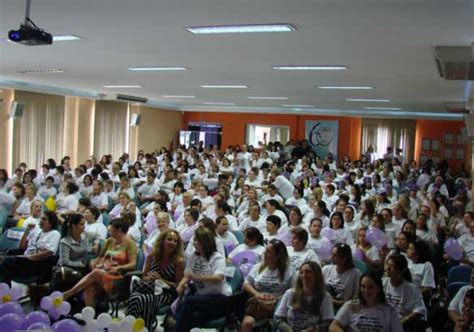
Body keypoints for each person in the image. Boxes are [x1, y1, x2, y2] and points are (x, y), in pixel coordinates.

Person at [63, 218, 138, 307]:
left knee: (98, 272)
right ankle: (91, 317)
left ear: (119, 230)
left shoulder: (130, 243)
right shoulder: (110, 241)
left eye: (111, 228)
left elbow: (133, 264)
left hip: (117, 279)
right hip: (102, 274)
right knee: (89, 289)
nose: (109, 229)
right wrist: (93, 262)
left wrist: (119, 268)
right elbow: (98, 258)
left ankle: (70, 293)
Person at [172, 227, 231, 332]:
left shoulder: (217, 257)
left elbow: (219, 277)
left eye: (196, 240)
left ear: (205, 242)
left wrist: (197, 277)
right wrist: (181, 284)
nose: (193, 243)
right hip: (202, 298)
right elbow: (187, 275)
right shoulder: (194, 256)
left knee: (189, 302)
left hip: (219, 298)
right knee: (195, 316)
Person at [127, 229, 184, 331]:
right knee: (134, 297)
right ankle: (131, 327)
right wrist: (149, 278)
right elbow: (143, 276)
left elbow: (178, 286)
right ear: (162, 241)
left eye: (175, 241)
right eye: (169, 239)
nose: (172, 243)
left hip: (166, 293)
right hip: (149, 288)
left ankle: (145, 328)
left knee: (143, 299)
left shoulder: (178, 261)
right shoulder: (151, 256)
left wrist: (161, 280)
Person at [241, 239, 294, 332]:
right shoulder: (258, 267)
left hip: (278, 304)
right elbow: (246, 283)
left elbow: (295, 290)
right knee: (247, 323)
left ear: (277, 256)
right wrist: (257, 294)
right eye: (265, 250)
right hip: (258, 303)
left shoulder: (289, 271)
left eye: (268, 252)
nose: (264, 253)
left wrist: (276, 299)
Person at [0, 211, 60, 285]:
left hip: (36, 264)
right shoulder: (37, 232)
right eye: (41, 218)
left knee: (6, 262)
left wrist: (29, 257)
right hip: (24, 260)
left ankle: (4, 289)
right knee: (3, 262)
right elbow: (22, 246)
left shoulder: (54, 234)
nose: (41, 220)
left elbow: (49, 252)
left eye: (44, 219)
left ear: (51, 222)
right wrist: (27, 230)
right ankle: (5, 289)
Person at [329, 271, 403, 332]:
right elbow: (333, 326)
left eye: (370, 287)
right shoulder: (351, 305)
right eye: (363, 286)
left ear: (378, 288)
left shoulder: (390, 310)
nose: (366, 291)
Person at [275, 261, 334, 331]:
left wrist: (314, 329)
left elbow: (328, 323)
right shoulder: (290, 293)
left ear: (317, 275)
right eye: (301, 272)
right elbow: (278, 319)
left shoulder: (325, 297)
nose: (304, 275)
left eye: (308, 272)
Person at [383, 254, 427, 331]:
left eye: (391, 266)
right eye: (387, 265)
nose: (387, 268)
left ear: (401, 270)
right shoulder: (382, 283)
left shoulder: (411, 288)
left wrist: (405, 319)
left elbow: (420, 309)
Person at [52, 214, 91, 291]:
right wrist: (83, 264)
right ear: (73, 226)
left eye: (84, 224)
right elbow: (65, 262)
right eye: (82, 224)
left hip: (81, 268)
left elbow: (97, 236)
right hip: (68, 270)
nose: (84, 226)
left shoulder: (84, 235)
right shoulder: (65, 242)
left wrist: (96, 243)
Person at [322, 243, 361, 309]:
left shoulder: (356, 273)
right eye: (332, 254)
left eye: (335, 255)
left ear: (344, 258)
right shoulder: (326, 269)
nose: (332, 257)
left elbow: (356, 297)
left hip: (345, 308)